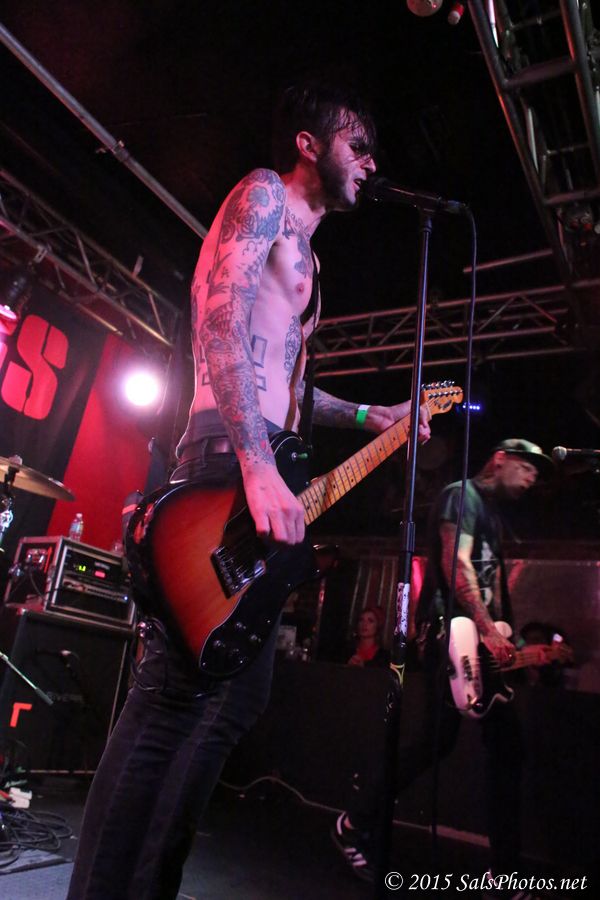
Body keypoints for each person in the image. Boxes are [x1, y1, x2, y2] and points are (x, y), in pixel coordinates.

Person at [66, 77, 430, 900]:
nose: (371, 162)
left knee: (237, 697)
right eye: (358, 144)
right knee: (172, 692)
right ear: (309, 142)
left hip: (260, 458)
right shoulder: (262, 195)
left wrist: (372, 415)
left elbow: (286, 381)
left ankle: (146, 885)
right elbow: (219, 319)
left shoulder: (314, 261)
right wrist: (259, 463)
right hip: (226, 461)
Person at [332, 438, 554, 896]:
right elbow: (456, 564)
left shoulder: (492, 515)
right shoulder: (461, 496)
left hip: (479, 640)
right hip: (452, 635)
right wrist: (487, 629)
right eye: (527, 468)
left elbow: (491, 583)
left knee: (493, 748)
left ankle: (504, 872)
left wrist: (511, 640)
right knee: (437, 742)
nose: (532, 479)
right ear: (500, 459)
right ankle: (354, 822)